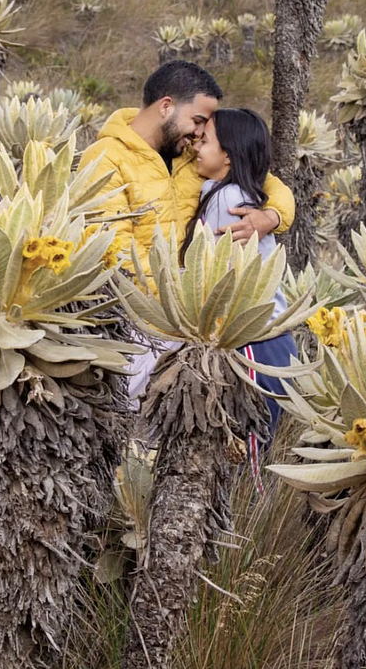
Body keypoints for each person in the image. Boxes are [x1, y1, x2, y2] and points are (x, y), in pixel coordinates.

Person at [78, 61, 296, 404]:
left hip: (201, 322)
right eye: (197, 121)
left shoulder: (189, 156)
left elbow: (264, 177)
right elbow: (116, 253)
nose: (198, 135)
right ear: (166, 106)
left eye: (204, 129)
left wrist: (271, 216)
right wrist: (178, 311)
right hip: (146, 323)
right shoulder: (105, 159)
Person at [181, 108, 299, 462]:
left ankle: (252, 517)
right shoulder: (229, 192)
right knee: (259, 449)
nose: (196, 148)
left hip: (251, 341)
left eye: (205, 141)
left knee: (248, 455)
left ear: (229, 155)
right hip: (270, 339)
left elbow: (216, 274)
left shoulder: (227, 200)